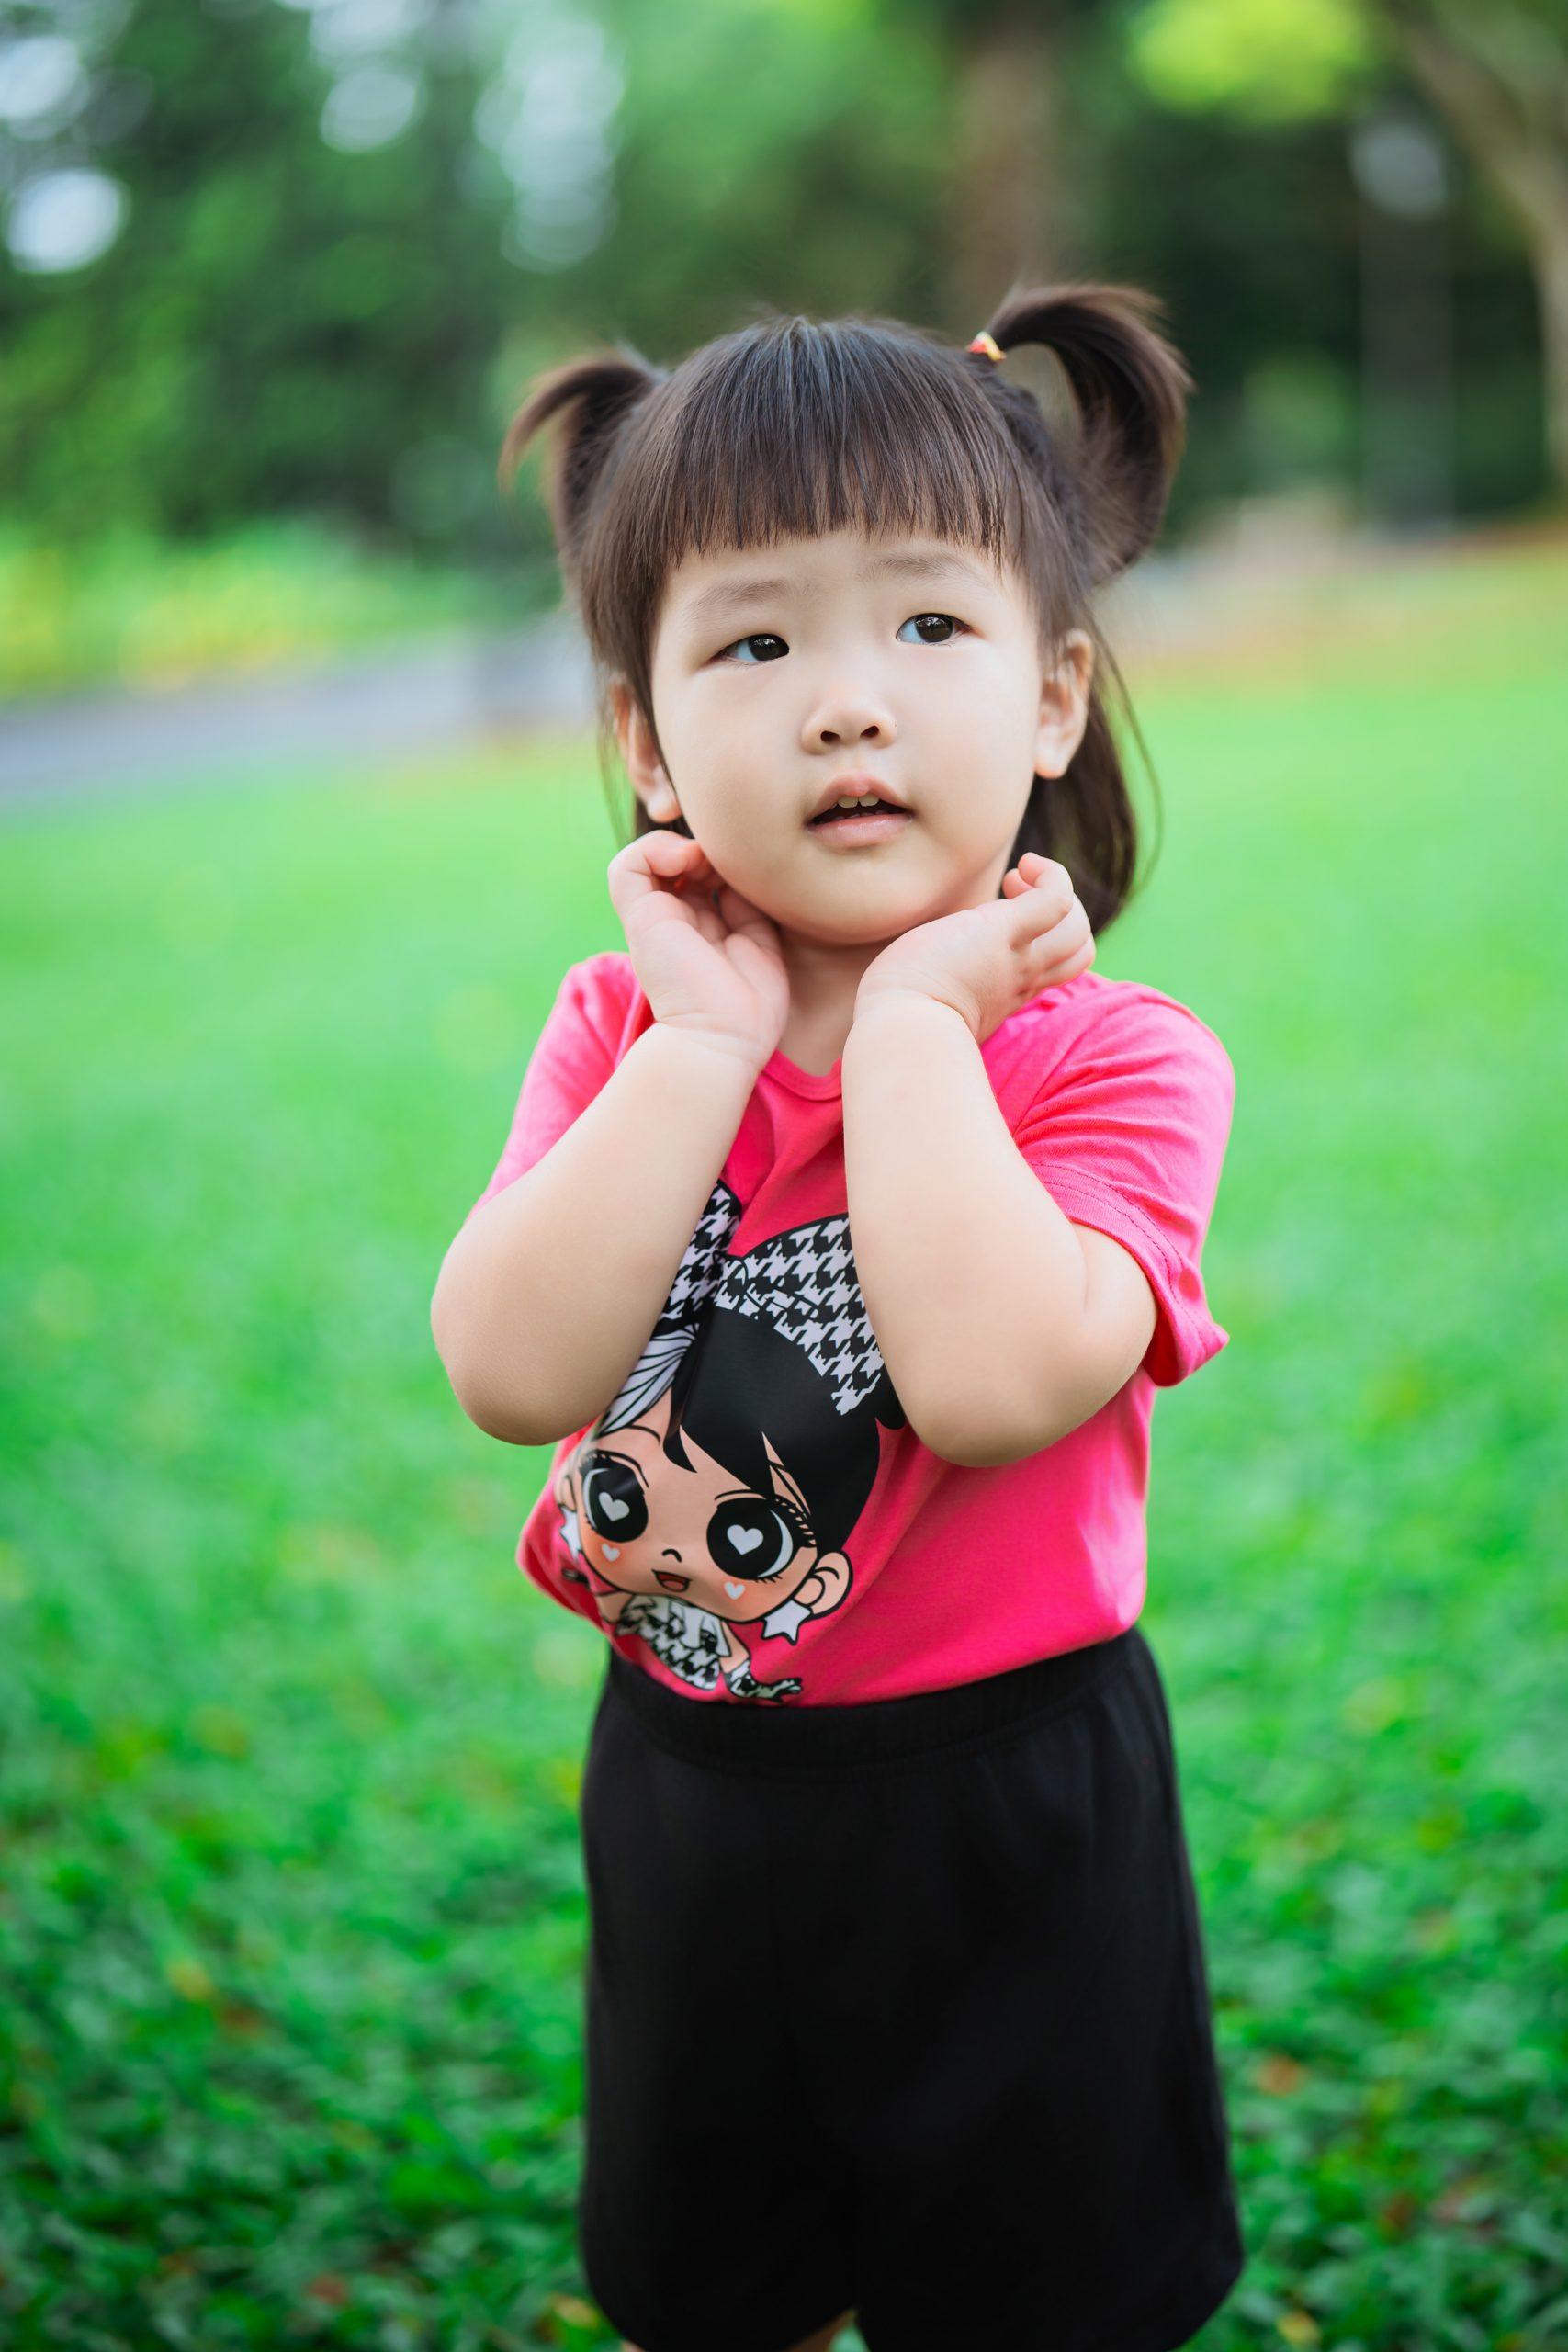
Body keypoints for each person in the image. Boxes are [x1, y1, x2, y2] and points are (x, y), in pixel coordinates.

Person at [430, 285, 1247, 2352]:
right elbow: (507, 1373)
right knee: (723, 2282)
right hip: (685, 1774)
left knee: (1034, 2297)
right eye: (756, 644)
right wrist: (704, 1049)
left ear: (1052, 698)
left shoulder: (1115, 1063)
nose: (845, 706)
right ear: (645, 738)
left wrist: (909, 1029)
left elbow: (985, 1383)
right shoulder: (626, 1027)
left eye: (927, 624)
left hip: (1008, 1805)